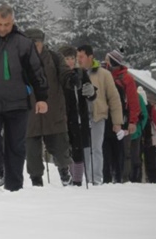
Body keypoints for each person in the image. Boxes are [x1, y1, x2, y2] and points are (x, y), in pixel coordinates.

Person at [0, 4, 48, 192]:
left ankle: (14, 187)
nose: (2, 28)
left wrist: (41, 97)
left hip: (18, 103)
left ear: (13, 23)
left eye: (6, 24)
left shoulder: (23, 43)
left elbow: (36, 71)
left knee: (16, 147)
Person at [24, 28, 76, 187]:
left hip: (53, 113)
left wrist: (72, 79)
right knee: (32, 155)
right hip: (30, 115)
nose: (34, 46)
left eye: (36, 43)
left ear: (42, 43)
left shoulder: (54, 57)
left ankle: (64, 171)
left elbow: (65, 74)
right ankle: (36, 181)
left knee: (60, 151)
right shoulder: (19, 60)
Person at [76, 45, 123, 185]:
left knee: (97, 148)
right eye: (77, 56)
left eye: (81, 56)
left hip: (98, 115)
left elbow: (114, 98)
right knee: (84, 148)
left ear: (90, 57)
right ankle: (86, 179)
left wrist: (117, 122)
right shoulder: (75, 73)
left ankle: (96, 179)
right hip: (80, 118)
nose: (79, 59)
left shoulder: (104, 74)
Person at [59, 45, 97, 186]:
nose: (69, 62)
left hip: (79, 117)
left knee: (78, 150)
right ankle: (67, 178)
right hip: (62, 117)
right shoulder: (58, 74)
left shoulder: (81, 73)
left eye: (72, 58)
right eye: (66, 59)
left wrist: (91, 92)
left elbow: (91, 96)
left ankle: (77, 181)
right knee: (64, 150)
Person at [104, 49, 142, 182]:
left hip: (123, 119)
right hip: (107, 118)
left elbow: (133, 102)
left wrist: (132, 121)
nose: (105, 62)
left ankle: (120, 177)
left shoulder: (127, 79)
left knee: (120, 150)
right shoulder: (106, 75)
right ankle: (108, 177)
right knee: (107, 149)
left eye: (107, 60)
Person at [138, 86, 156, 183]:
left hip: (145, 137)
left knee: (144, 161)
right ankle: (153, 180)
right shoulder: (151, 108)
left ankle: (146, 180)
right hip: (150, 138)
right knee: (150, 162)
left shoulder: (149, 109)